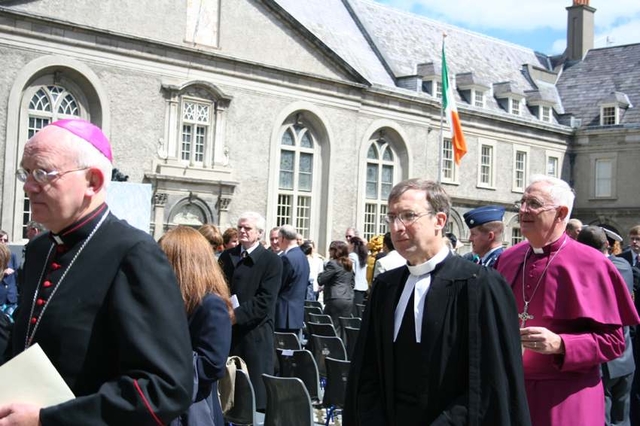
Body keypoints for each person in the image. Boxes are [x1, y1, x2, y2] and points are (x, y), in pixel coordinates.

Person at [0, 118, 192, 424]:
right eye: (26, 172)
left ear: (93, 182)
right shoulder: (38, 251)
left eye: (42, 173)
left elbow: (164, 389)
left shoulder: (134, 253)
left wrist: (48, 420)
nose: (28, 185)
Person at [345, 178, 530, 426]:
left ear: (439, 221)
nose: (397, 227)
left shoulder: (479, 285)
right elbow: (367, 370)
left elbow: (489, 382)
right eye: (391, 217)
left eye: (409, 216)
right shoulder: (386, 287)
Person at [495, 175, 639, 426]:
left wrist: (561, 344)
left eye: (534, 203)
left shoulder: (592, 264)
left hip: (567, 396)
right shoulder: (509, 258)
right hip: (512, 391)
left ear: (561, 213)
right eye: (522, 201)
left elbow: (614, 343)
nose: (523, 209)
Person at [159, 226, 233, 426]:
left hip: (194, 409)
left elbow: (212, 365)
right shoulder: (171, 299)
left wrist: (161, 360)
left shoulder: (211, 304)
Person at [218, 212, 282, 411]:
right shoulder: (228, 256)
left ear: (259, 233)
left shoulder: (271, 261)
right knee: (228, 388)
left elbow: (265, 300)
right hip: (228, 331)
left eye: (248, 228)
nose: (242, 231)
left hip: (254, 333)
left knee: (252, 396)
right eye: (240, 227)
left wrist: (235, 316)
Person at [578, 226, 635, 426]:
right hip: (625, 354)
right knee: (622, 418)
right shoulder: (623, 265)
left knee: (601, 418)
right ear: (608, 245)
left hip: (600, 357)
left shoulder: (586, 269)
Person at [275, 224, 309, 334]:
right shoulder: (302, 256)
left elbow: (279, 285)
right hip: (296, 312)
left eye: (278, 238)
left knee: (283, 349)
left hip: (284, 313)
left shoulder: (287, 258)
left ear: (283, 238)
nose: (277, 242)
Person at [318, 240, 354, 336]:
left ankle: (334, 349)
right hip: (348, 298)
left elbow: (321, 280)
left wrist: (321, 273)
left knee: (332, 326)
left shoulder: (333, 264)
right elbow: (352, 282)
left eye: (330, 249)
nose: (329, 251)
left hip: (335, 298)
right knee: (344, 327)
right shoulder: (349, 264)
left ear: (335, 251)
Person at [0, 231, 18, 317]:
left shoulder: (12, 255)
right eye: (1, 239)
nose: (3, 242)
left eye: (5, 240)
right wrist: (2, 272)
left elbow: (16, 275)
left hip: (11, 298)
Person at [349, 236, 369, 307]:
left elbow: (351, 271)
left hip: (355, 287)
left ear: (353, 244)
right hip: (363, 287)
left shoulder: (352, 256)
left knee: (354, 311)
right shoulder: (363, 256)